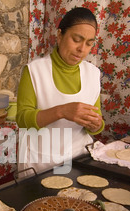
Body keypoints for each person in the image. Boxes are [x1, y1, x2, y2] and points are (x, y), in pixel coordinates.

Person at [16, 7, 104, 176]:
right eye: (77, 39)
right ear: (59, 35)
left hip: (79, 160)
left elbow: (96, 123)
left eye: (89, 43)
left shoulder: (93, 74)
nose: (82, 49)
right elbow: (22, 119)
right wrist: (62, 111)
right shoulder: (34, 71)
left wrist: (96, 125)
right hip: (40, 164)